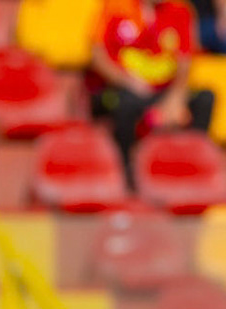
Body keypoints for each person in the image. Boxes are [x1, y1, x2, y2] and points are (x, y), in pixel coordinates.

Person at [87, 0, 216, 178]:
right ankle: (126, 173)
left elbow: (185, 62)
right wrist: (125, 80)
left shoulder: (180, 10)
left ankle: (192, 168)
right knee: (124, 104)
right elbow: (97, 55)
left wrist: (175, 98)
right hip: (123, 88)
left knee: (205, 99)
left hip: (163, 91)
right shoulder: (115, 6)